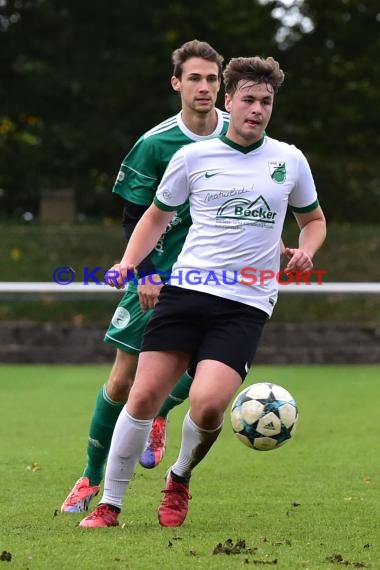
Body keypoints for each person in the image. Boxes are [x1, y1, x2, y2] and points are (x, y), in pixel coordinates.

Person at [79, 54, 326, 529]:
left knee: (209, 405)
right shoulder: (192, 156)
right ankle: (110, 505)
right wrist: (130, 263)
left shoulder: (289, 160)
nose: (257, 109)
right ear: (229, 101)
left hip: (246, 303)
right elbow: (154, 216)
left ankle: (179, 476)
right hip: (187, 290)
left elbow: (312, 220)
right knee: (144, 393)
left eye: (266, 101)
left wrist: (305, 250)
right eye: (249, 99)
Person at [60, 39, 229, 513]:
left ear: (222, 85)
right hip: (156, 276)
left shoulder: (241, 136)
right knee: (121, 381)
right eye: (194, 78)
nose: (204, 87)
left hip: (217, 278)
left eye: (212, 79)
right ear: (176, 83)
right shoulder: (155, 144)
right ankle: (91, 478)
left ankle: (159, 413)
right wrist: (147, 271)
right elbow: (135, 217)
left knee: (210, 370)